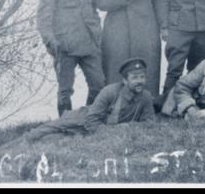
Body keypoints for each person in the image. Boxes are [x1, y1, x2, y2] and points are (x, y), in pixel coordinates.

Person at [37, 0, 106, 116]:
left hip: (88, 43)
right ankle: (65, 124)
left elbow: (91, 8)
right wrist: (51, 42)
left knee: (99, 84)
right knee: (65, 90)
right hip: (65, 45)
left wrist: (97, 30)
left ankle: (88, 118)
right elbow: (44, 16)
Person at [19, 58, 154, 143]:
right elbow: (91, 121)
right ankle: (23, 139)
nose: (139, 82)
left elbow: (149, 123)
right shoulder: (110, 91)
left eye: (142, 77)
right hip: (81, 119)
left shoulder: (145, 97)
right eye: (135, 78)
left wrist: (128, 127)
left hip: (94, 130)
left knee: (55, 140)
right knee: (47, 130)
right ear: (125, 80)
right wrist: (115, 131)